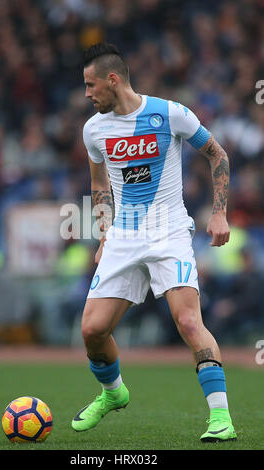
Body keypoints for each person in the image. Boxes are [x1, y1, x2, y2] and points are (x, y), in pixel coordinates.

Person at [71, 42, 237, 442]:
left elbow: (219, 155)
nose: (87, 94)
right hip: (124, 236)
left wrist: (218, 212)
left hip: (169, 232)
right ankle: (114, 394)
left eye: (91, 85)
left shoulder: (169, 113)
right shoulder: (94, 129)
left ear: (113, 80)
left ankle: (221, 418)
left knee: (188, 321)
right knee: (92, 331)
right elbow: (99, 185)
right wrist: (105, 231)